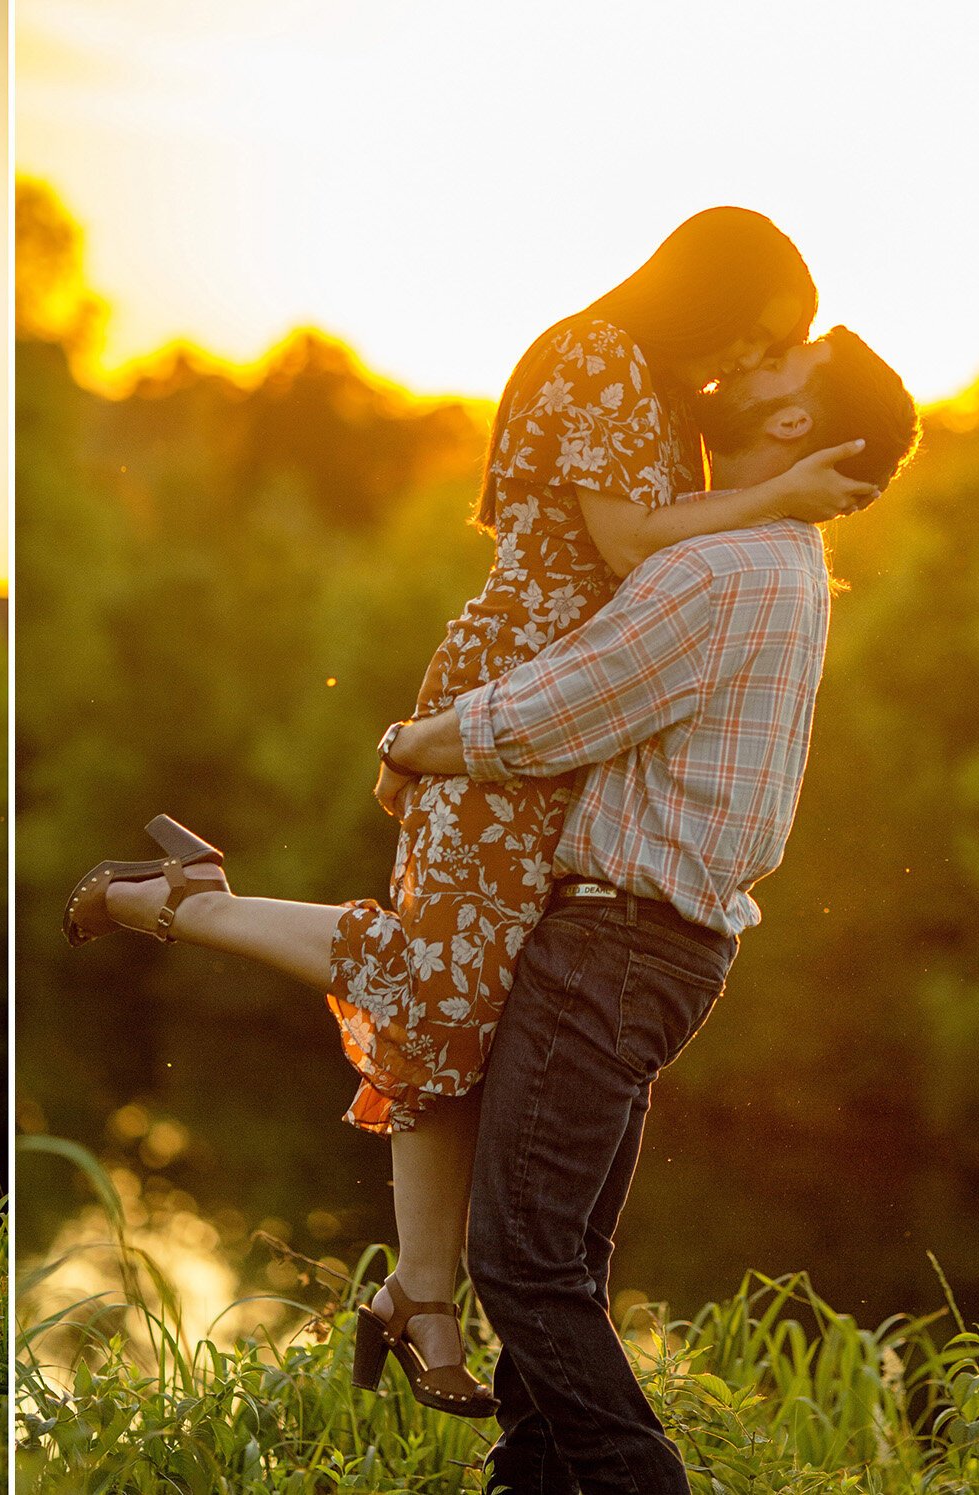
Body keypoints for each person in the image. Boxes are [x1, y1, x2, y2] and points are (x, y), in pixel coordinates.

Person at [62, 207, 878, 1416]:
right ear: (711, 292)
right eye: (757, 335)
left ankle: (418, 1289)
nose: (742, 365)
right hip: (515, 696)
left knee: (476, 1006)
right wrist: (782, 497)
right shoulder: (601, 356)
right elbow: (623, 538)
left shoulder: (660, 387)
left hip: (565, 716)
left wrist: (772, 501)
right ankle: (186, 909)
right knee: (442, 983)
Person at [379, 329, 918, 1492]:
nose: (733, 369)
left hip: (611, 946)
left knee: (520, 1261)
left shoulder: (717, 569)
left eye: (773, 365)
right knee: (559, 1252)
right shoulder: (778, 556)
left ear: (790, 425)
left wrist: (417, 740)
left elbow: (563, 707)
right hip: (654, 947)